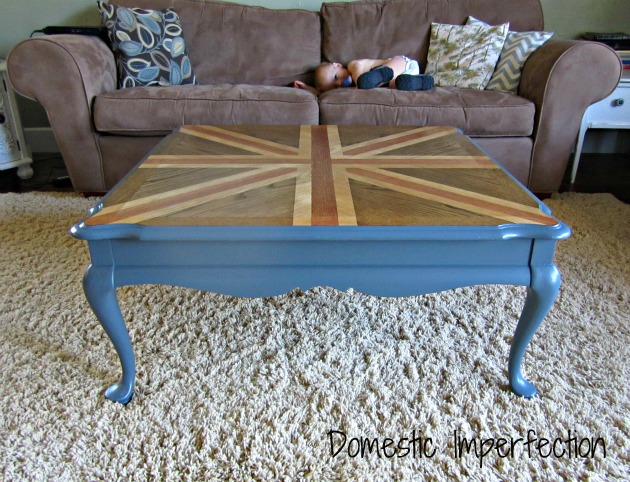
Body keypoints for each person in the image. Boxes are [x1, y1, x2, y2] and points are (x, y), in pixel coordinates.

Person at [293, 55, 434, 94]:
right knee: (395, 84)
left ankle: (378, 75)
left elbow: (358, 73)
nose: (340, 83)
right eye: (335, 86)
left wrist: (360, 83)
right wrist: (307, 88)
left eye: (336, 77)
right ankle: (420, 82)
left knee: (387, 71)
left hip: (401, 64)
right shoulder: (348, 87)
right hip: (401, 78)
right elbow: (324, 95)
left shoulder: (353, 65)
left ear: (338, 65)